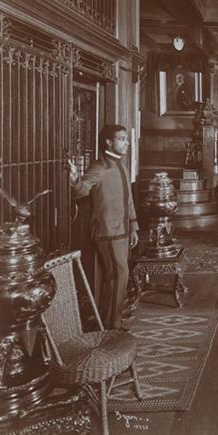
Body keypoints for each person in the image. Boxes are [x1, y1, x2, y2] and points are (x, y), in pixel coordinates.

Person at [67, 124, 139, 330]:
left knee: (115, 276)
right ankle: (112, 324)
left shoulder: (121, 166)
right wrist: (74, 179)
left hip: (122, 229)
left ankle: (108, 320)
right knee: (119, 274)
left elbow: (128, 200)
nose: (127, 143)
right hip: (107, 230)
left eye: (126, 139)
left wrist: (133, 226)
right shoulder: (100, 167)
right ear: (108, 142)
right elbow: (81, 191)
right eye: (122, 139)